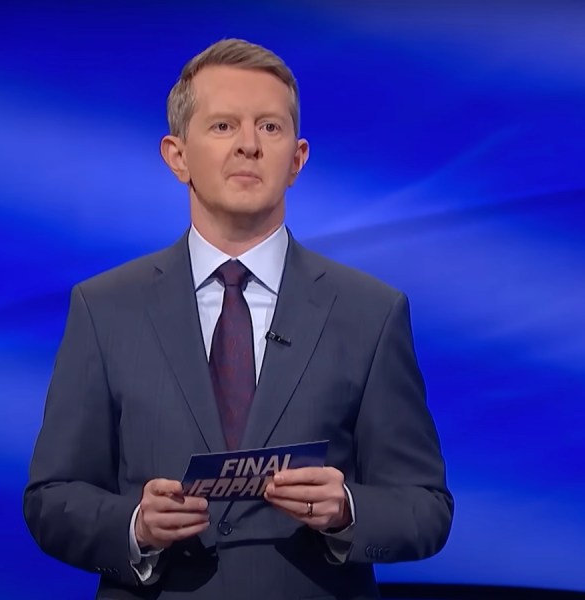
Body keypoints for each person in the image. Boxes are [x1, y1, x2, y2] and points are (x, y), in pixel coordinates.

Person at [23, 38, 453, 600]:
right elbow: (52, 497)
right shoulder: (104, 308)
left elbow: (426, 507)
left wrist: (347, 509)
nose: (249, 145)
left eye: (269, 128)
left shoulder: (370, 312)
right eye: (223, 126)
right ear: (177, 156)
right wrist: (135, 526)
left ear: (297, 160)